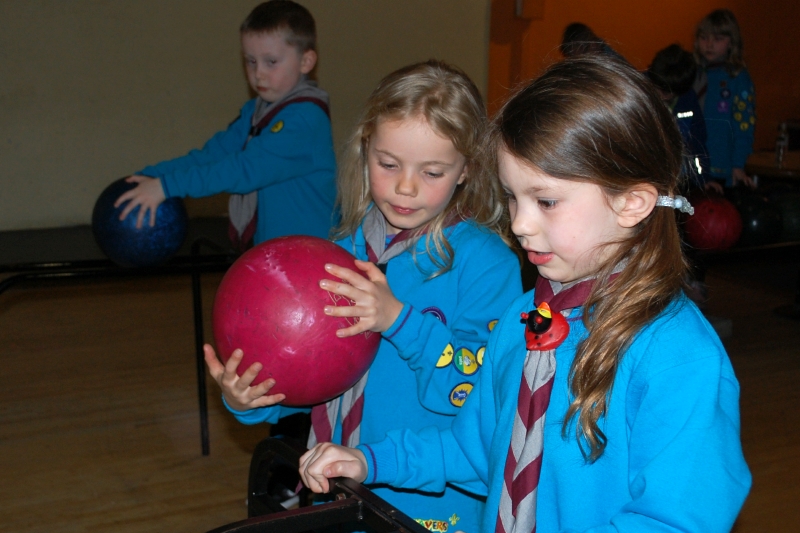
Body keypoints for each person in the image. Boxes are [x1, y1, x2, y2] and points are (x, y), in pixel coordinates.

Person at [298, 57, 752, 533]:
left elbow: (678, 521)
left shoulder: (679, 357)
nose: (518, 224)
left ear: (631, 202)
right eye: (513, 197)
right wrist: (369, 462)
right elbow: (475, 448)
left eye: (546, 201)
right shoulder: (526, 318)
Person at [205, 60, 523, 533]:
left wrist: (399, 320)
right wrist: (255, 398)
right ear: (364, 151)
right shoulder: (341, 250)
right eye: (388, 164)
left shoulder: (486, 265)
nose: (406, 186)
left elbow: (473, 396)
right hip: (335, 495)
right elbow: (319, 378)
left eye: (432, 171)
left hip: (429, 510)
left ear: (467, 171)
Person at [114, 0, 337, 249]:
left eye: (271, 62)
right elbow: (212, 156)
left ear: (306, 62)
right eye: (250, 61)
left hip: (315, 256)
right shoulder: (255, 112)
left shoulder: (305, 119)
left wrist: (167, 186)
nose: (259, 73)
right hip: (275, 254)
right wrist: (151, 176)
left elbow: (242, 170)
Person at [693, 9, 756, 189]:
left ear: (731, 43)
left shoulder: (738, 77)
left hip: (722, 166)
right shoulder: (693, 73)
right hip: (693, 167)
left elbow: (744, 125)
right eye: (704, 38)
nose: (709, 45)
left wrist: (738, 164)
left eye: (718, 39)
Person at [647, 43, 718, 193]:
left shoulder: (688, 100)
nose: (662, 94)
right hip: (644, 177)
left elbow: (696, 143)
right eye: (659, 87)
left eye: (667, 92)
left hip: (676, 181)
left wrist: (703, 179)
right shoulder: (636, 91)